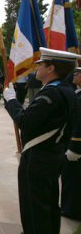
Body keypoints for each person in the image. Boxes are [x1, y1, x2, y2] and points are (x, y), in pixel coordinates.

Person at [3, 47, 79, 234]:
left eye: (40, 64)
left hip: (40, 157)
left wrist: (11, 101)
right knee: (49, 203)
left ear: (51, 68)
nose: (36, 68)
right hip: (51, 154)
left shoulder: (51, 94)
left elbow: (26, 122)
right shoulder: (66, 90)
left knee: (35, 206)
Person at [61, 67, 81, 220]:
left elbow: (79, 124)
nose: (74, 75)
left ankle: (71, 209)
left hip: (76, 146)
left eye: (77, 74)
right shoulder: (77, 92)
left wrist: (74, 146)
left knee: (73, 179)